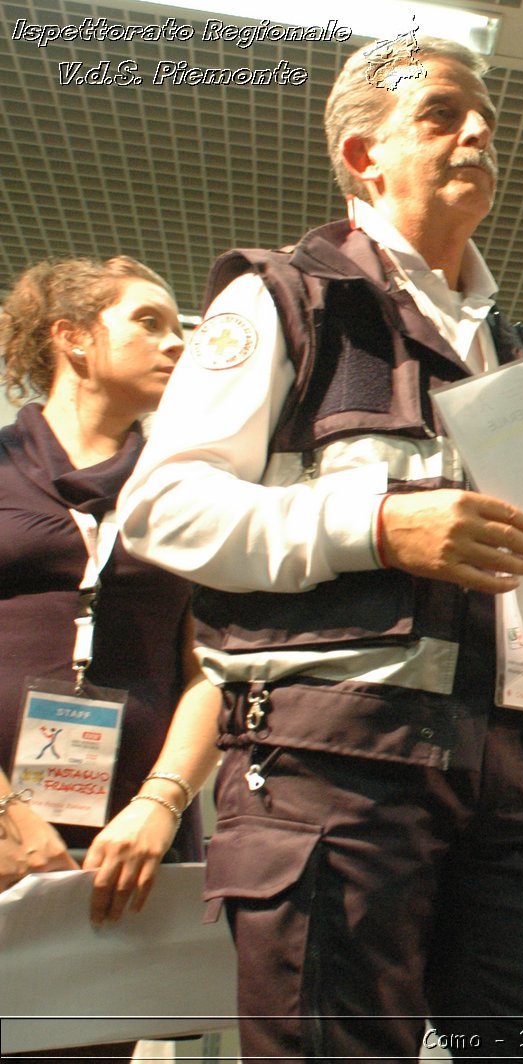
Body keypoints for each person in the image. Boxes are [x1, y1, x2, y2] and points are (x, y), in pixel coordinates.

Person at [118, 37, 523, 1060]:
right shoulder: (284, 299)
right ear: (367, 153)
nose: (480, 129)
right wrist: (373, 524)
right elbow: (164, 508)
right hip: (337, 766)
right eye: (444, 112)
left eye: (484, 113)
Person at [0, 256, 220, 924]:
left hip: (124, 849)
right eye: (148, 322)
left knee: (89, 1025)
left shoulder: (189, 491)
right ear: (72, 336)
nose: (177, 342)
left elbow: (212, 669)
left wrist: (160, 804)